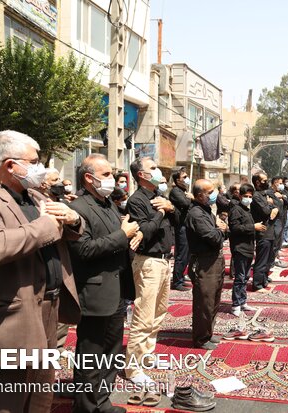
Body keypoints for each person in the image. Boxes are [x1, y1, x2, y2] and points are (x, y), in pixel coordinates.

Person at [0, 130, 83, 412]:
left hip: (49, 312)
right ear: (10, 165)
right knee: (5, 402)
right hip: (8, 320)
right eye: (35, 161)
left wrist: (74, 219)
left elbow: (66, 229)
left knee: (39, 401)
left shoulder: (35, 196)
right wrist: (46, 226)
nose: (41, 168)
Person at [67, 153, 141, 413]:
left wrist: (133, 235)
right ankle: (86, 407)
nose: (113, 180)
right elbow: (84, 250)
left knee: (111, 353)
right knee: (90, 356)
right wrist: (123, 235)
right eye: (107, 175)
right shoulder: (78, 208)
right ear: (89, 178)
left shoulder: (109, 204)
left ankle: (102, 402)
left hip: (118, 290)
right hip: (94, 293)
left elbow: (120, 235)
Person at [124, 157, 175, 404]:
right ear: (142, 175)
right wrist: (161, 212)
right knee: (143, 316)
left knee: (159, 312)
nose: (158, 172)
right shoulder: (136, 201)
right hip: (148, 261)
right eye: (153, 168)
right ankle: (133, 368)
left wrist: (171, 208)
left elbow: (177, 224)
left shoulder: (160, 197)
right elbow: (145, 231)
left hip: (165, 260)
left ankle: (146, 354)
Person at [185, 179, 228, 349]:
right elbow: (215, 237)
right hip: (204, 262)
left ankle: (208, 333)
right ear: (199, 195)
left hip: (214, 259)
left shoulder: (206, 210)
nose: (213, 195)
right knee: (205, 302)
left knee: (214, 300)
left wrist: (221, 229)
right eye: (210, 192)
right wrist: (220, 229)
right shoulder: (196, 214)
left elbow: (222, 234)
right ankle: (200, 338)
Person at [228, 183, 265, 316]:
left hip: (249, 248)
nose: (248, 198)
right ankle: (236, 305)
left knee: (245, 277)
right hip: (240, 248)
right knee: (240, 277)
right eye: (245, 196)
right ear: (239, 195)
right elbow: (235, 228)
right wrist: (253, 227)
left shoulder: (247, 210)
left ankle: (242, 302)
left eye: (250, 196)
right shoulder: (235, 209)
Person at [250, 173, 279, 291]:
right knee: (261, 259)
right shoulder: (256, 196)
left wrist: (272, 207)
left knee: (268, 259)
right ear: (257, 182)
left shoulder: (265, 194)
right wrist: (271, 205)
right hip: (263, 232)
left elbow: (278, 208)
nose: (267, 182)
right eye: (264, 180)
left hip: (270, 231)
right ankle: (257, 284)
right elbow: (266, 211)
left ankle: (264, 280)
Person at [169, 167, 193, 291]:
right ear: (177, 180)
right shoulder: (176, 191)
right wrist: (190, 197)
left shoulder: (184, 190)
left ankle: (181, 277)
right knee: (182, 255)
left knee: (187, 254)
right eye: (184, 177)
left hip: (187, 225)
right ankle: (177, 281)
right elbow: (185, 203)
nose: (186, 179)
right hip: (181, 226)